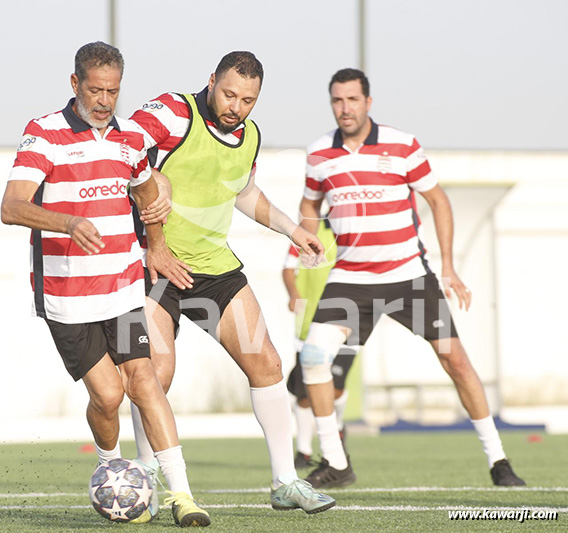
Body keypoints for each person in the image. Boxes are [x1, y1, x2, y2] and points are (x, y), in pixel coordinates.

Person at [1, 42, 211, 527]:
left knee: (143, 378)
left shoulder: (131, 139)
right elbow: (11, 207)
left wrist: (155, 243)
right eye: (94, 89)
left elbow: (146, 192)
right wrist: (67, 221)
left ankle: (182, 495)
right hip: (66, 295)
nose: (103, 100)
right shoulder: (44, 133)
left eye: (112, 91)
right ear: (74, 84)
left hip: (121, 287)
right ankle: (109, 466)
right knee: (108, 397)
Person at [127, 51, 336, 515]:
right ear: (211, 82)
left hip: (213, 270)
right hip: (152, 268)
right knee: (152, 376)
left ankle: (285, 481)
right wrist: (149, 224)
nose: (236, 106)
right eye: (228, 94)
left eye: (248, 99)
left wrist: (292, 228)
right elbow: (121, 151)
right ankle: (143, 483)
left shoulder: (250, 136)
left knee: (266, 363)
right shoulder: (172, 113)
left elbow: (243, 191)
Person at [297, 68, 526, 489]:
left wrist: (449, 266)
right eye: (337, 100)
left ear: (368, 102)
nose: (344, 108)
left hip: (407, 276)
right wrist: (303, 249)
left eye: (352, 99)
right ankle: (335, 462)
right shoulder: (318, 154)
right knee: (312, 359)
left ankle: (499, 460)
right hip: (349, 279)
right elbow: (309, 206)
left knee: (455, 361)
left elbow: (438, 201)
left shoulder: (403, 145)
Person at [282, 219, 357, 468]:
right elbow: (287, 267)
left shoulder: (354, 233)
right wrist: (294, 294)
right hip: (309, 323)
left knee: (335, 385)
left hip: (347, 320)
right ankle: (303, 451)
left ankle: (337, 428)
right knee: (304, 392)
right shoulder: (308, 231)